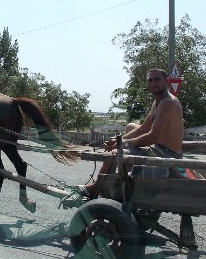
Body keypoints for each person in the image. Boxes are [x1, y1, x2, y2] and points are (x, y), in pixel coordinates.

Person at [78, 67, 184, 198]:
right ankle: (114, 186)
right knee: (120, 144)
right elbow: (143, 129)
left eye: (157, 79)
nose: (153, 83)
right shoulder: (158, 102)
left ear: (166, 81)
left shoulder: (168, 102)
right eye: (150, 80)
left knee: (115, 154)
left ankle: (95, 188)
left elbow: (152, 137)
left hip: (166, 154)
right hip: (160, 150)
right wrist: (118, 140)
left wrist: (124, 144)